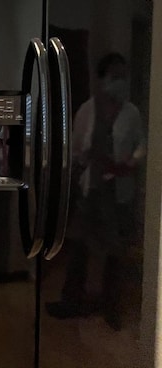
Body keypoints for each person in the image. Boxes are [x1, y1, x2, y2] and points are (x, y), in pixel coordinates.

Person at [46, 52, 145, 331]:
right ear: (102, 79)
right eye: (115, 76)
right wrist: (83, 157)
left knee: (115, 250)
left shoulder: (132, 113)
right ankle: (71, 301)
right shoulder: (87, 110)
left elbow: (142, 145)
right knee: (78, 246)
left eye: (123, 76)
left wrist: (132, 161)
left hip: (119, 190)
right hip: (91, 189)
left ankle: (111, 306)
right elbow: (75, 149)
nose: (120, 81)